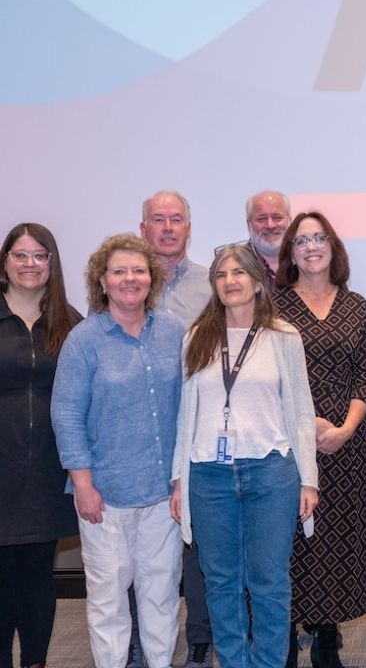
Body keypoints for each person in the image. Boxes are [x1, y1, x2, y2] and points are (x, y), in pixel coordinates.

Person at [170, 243, 318, 668]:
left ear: (257, 282)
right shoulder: (197, 337)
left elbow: (301, 410)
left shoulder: (284, 337)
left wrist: (309, 478)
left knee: (269, 582)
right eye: (221, 275)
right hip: (209, 475)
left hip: (271, 472)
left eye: (239, 273)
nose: (230, 281)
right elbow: (186, 416)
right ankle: (234, 662)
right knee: (220, 582)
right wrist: (180, 480)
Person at [52, 233, 184, 668]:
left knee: (161, 595)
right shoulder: (84, 340)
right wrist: (82, 484)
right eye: (119, 271)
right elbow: (67, 415)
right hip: (103, 497)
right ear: (102, 281)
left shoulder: (173, 334)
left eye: (139, 270)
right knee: (108, 600)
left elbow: (188, 409)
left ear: (152, 278)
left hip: (163, 495)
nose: (131, 278)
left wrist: (182, 481)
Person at [274, 211, 366, 668]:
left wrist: (345, 428)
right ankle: (282, 638)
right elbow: (269, 377)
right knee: (288, 541)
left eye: (320, 238)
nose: (312, 246)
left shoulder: (355, 304)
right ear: (291, 254)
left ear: (333, 247)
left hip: (346, 445)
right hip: (289, 445)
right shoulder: (273, 306)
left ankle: (325, 637)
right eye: (302, 240)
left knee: (336, 540)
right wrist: (309, 424)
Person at [0, 223, 81, 668]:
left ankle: (35, 661)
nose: (30, 264)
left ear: (52, 263)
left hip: (50, 470)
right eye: (20, 255)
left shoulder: (71, 324)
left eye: (39, 256)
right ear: (5, 261)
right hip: (1, 469)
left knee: (36, 574)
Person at [139, 189, 213, 668]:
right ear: (143, 228)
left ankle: (200, 638)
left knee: (198, 541)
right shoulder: (123, 283)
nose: (168, 228)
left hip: (198, 430)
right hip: (139, 435)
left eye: (177, 219)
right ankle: (138, 643)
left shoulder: (213, 286)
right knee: (140, 544)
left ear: (189, 227)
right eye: (158, 220)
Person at [246, 190, 292, 291]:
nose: (270, 225)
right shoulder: (233, 265)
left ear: (290, 221)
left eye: (277, 218)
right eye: (262, 219)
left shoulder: (306, 261)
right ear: (248, 224)